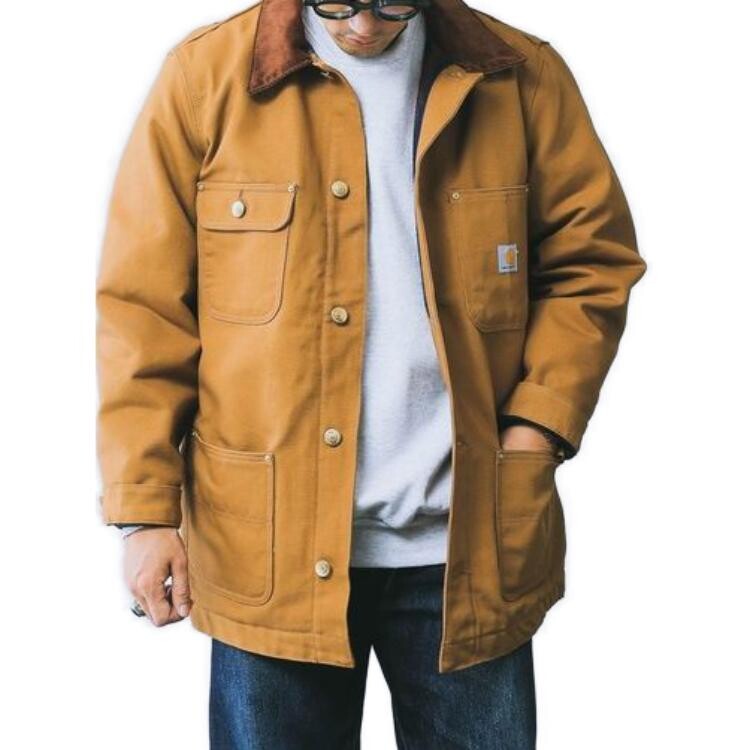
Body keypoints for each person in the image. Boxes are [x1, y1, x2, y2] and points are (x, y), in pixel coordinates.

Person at [95, 0, 646, 746]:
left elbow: (592, 264)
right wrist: (146, 513)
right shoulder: (205, 79)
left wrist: (536, 428)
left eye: (392, 3)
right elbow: (144, 309)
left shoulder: (519, 78)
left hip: (467, 552)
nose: (362, 25)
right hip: (269, 555)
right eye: (339, 2)